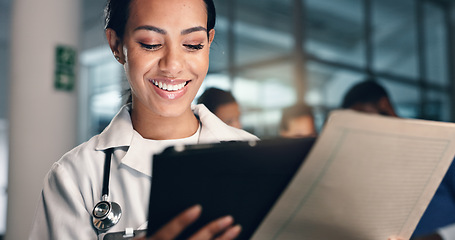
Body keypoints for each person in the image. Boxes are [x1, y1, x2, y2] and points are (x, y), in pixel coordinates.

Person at [28, 0, 257, 239]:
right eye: (151, 44)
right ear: (116, 45)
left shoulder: (255, 157)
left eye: (192, 45)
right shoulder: (75, 176)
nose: (173, 66)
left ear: (208, 42)